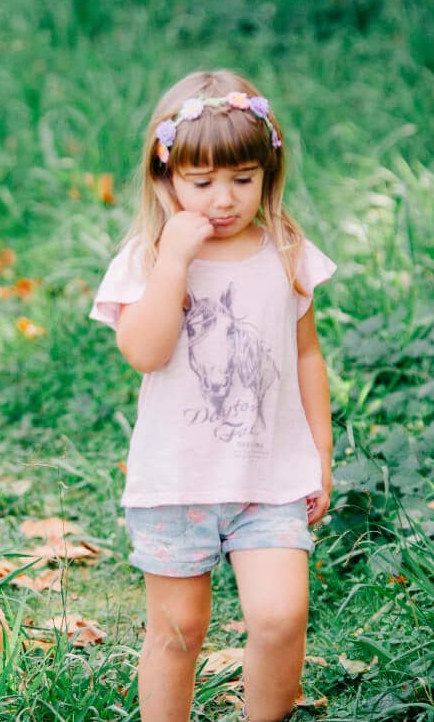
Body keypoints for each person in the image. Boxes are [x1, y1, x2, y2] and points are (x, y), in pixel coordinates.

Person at [90, 70, 335, 722]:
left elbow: (308, 354)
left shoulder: (286, 250)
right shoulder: (147, 258)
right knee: (178, 631)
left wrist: (321, 453)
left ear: (268, 173)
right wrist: (174, 262)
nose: (224, 200)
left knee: (282, 616)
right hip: (176, 482)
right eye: (202, 184)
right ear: (166, 178)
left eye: (243, 179)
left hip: (270, 478)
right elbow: (144, 350)